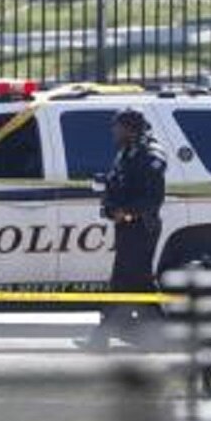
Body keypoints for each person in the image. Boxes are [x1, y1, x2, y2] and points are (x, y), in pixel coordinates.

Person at [79, 109, 167, 352]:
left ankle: (101, 338)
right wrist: (105, 186)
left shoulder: (151, 155)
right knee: (140, 285)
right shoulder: (127, 152)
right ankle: (158, 336)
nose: (113, 131)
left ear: (131, 129)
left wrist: (127, 212)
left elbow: (152, 199)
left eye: (117, 127)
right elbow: (121, 182)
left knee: (122, 282)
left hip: (141, 228)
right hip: (127, 228)